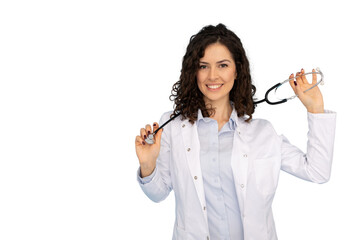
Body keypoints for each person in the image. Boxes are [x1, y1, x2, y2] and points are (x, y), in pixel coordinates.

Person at [134, 23, 336, 240]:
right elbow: (158, 194)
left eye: (222, 65)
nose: (212, 76)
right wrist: (148, 165)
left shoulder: (263, 133)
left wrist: (315, 109)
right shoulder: (172, 127)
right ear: (193, 72)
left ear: (237, 70)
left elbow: (317, 171)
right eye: (203, 66)